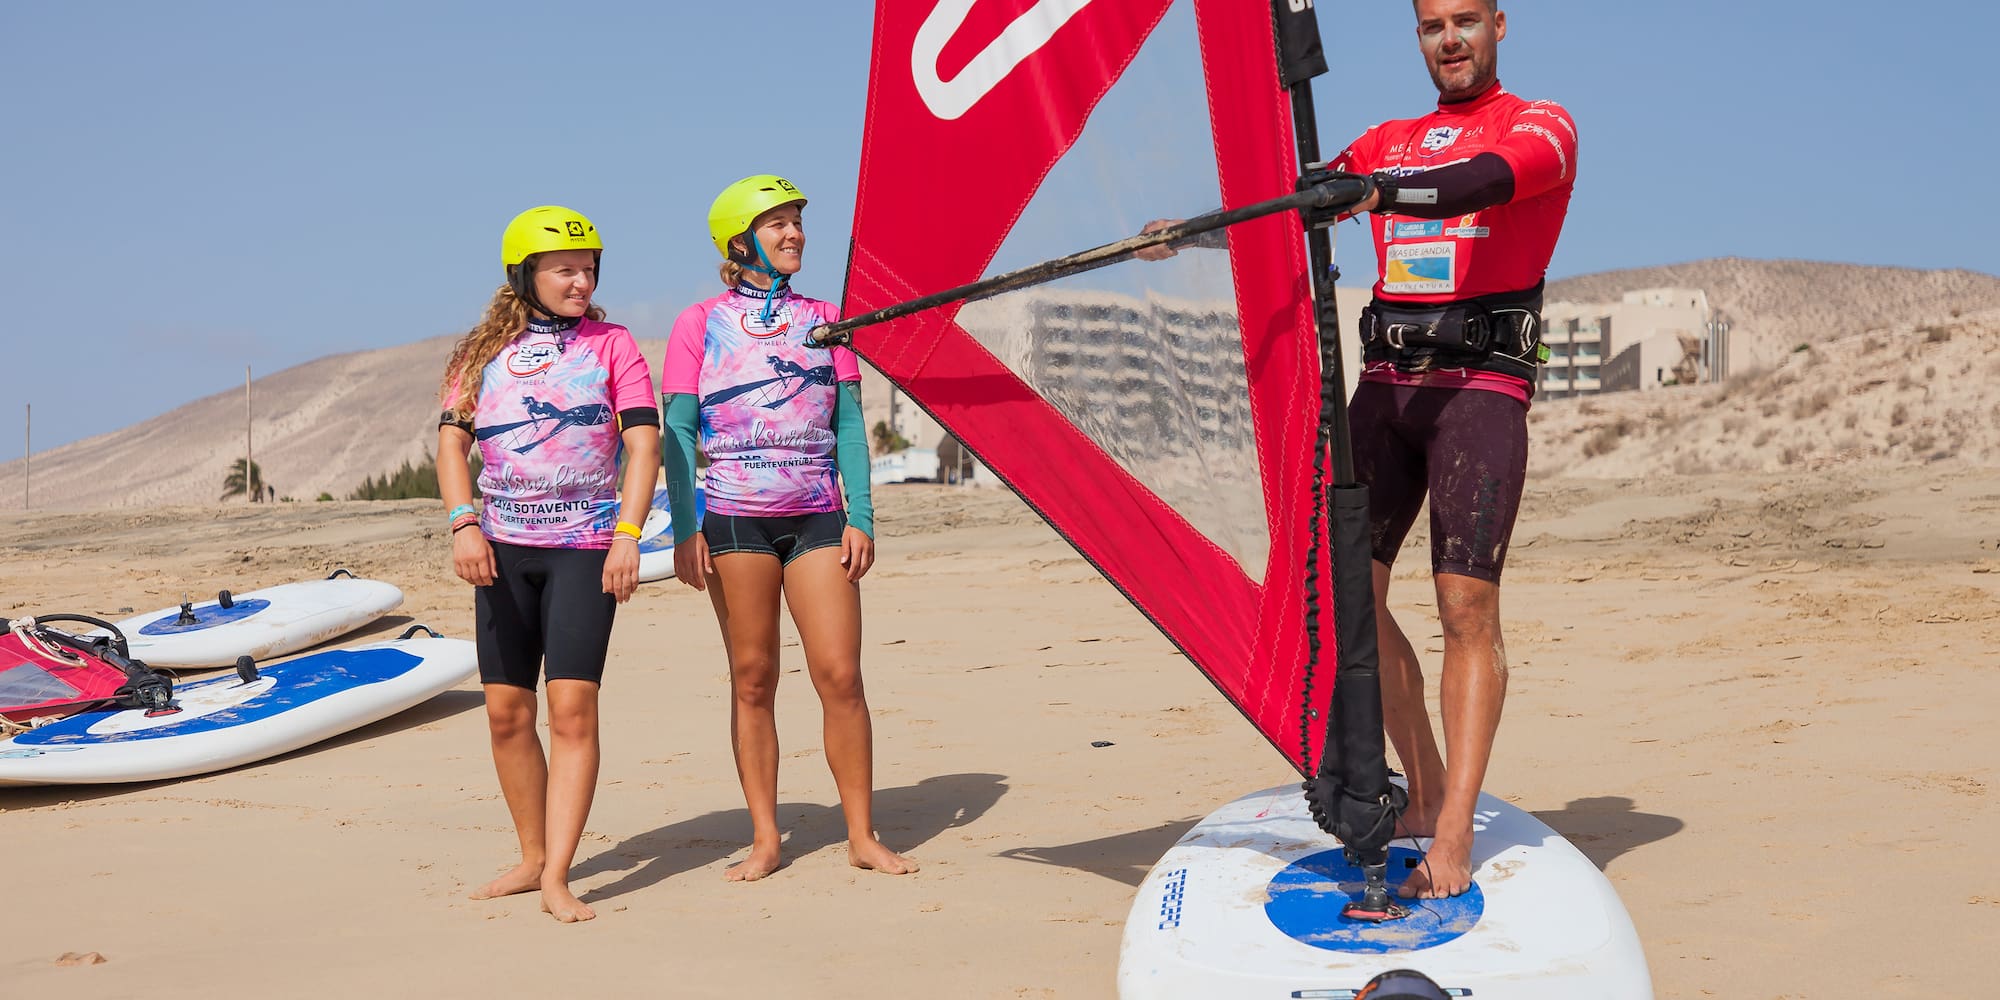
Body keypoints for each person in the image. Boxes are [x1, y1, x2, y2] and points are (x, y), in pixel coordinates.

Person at [1141, 0, 1576, 899]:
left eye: (1465, 21)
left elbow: (1484, 183)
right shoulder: (1385, 138)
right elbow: (1292, 207)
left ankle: (1454, 833)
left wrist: (1377, 193)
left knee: (1465, 609)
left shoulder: (1541, 125)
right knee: (1347, 597)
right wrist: (1193, 229)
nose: (1449, 40)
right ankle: (1420, 789)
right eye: (1431, 27)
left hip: (1479, 392)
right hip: (1385, 389)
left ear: (1500, 24)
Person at [661, 174, 916, 881]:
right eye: (778, 224)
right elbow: (680, 431)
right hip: (735, 520)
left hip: (817, 518)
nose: (795, 233)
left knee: (840, 674)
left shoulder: (827, 317)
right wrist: (687, 527)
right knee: (753, 678)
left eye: (798, 222)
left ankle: (862, 834)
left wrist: (859, 514)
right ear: (740, 241)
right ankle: (767, 838)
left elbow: (848, 426)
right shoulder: (697, 323)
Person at [437, 205, 661, 922]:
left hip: (583, 548)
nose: (581, 279)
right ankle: (531, 857)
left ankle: (560, 874)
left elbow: (644, 445)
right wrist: (462, 524)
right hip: (500, 549)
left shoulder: (613, 345)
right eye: (565, 268)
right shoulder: (479, 353)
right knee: (507, 713)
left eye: (589, 267)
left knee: (571, 710)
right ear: (524, 274)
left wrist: (629, 532)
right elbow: (450, 447)